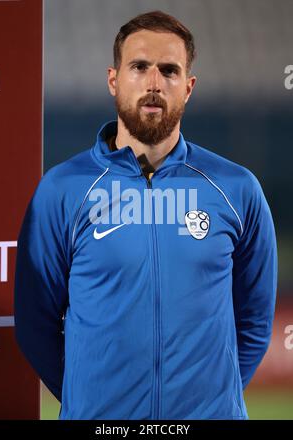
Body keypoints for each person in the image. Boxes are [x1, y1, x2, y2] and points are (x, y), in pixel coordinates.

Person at [14, 10, 277, 420]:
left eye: (169, 71)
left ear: (188, 88)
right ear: (113, 79)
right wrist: (91, 401)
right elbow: (35, 324)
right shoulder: (61, 190)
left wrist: (208, 405)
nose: (155, 83)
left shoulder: (236, 190)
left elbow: (256, 322)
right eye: (140, 67)